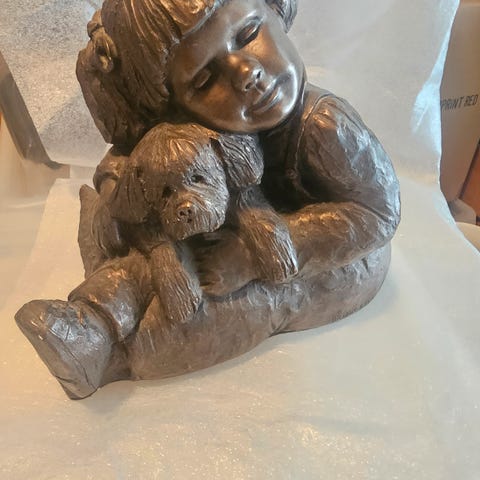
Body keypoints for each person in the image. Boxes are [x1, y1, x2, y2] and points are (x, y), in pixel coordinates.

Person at [15, 0, 400, 399]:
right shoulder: (202, 127)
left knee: (244, 302)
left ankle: (115, 357)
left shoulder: (324, 125)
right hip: (234, 231)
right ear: (178, 103)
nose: (245, 73)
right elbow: (129, 160)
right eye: (203, 80)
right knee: (160, 257)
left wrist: (251, 258)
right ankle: (93, 321)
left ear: (274, 9)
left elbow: (378, 214)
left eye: (248, 34)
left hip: (332, 258)